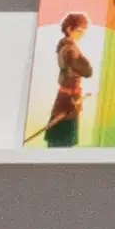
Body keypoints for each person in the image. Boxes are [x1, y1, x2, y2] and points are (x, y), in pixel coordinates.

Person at [38, 13, 90, 147]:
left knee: (60, 137)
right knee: (62, 140)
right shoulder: (70, 49)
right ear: (69, 29)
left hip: (67, 96)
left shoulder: (65, 45)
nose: (82, 34)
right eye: (79, 30)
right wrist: (83, 61)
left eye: (84, 32)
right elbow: (87, 71)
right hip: (68, 99)